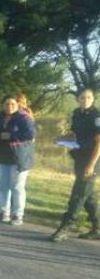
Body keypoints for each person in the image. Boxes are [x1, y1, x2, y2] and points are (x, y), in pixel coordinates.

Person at [50, 89, 100, 242]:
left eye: (89, 97)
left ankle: (66, 227)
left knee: (78, 195)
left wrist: (91, 165)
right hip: (80, 156)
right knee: (88, 196)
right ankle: (98, 228)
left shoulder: (96, 116)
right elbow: (75, 135)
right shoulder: (77, 114)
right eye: (82, 97)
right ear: (78, 99)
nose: (85, 99)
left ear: (93, 99)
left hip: (94, 159)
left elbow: (99, 142)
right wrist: (61, 138)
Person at [0, 95, 36, 226]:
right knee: (3, 185)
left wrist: (11, 136)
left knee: (17, 186)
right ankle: (4, 213)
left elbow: (31, 134)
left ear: (18, 105)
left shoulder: (23, 118)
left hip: (18, 156)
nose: (9, 106)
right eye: (7, 104)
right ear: (2, 105)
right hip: (1, 155)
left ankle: (18, 215)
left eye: (13, 104)